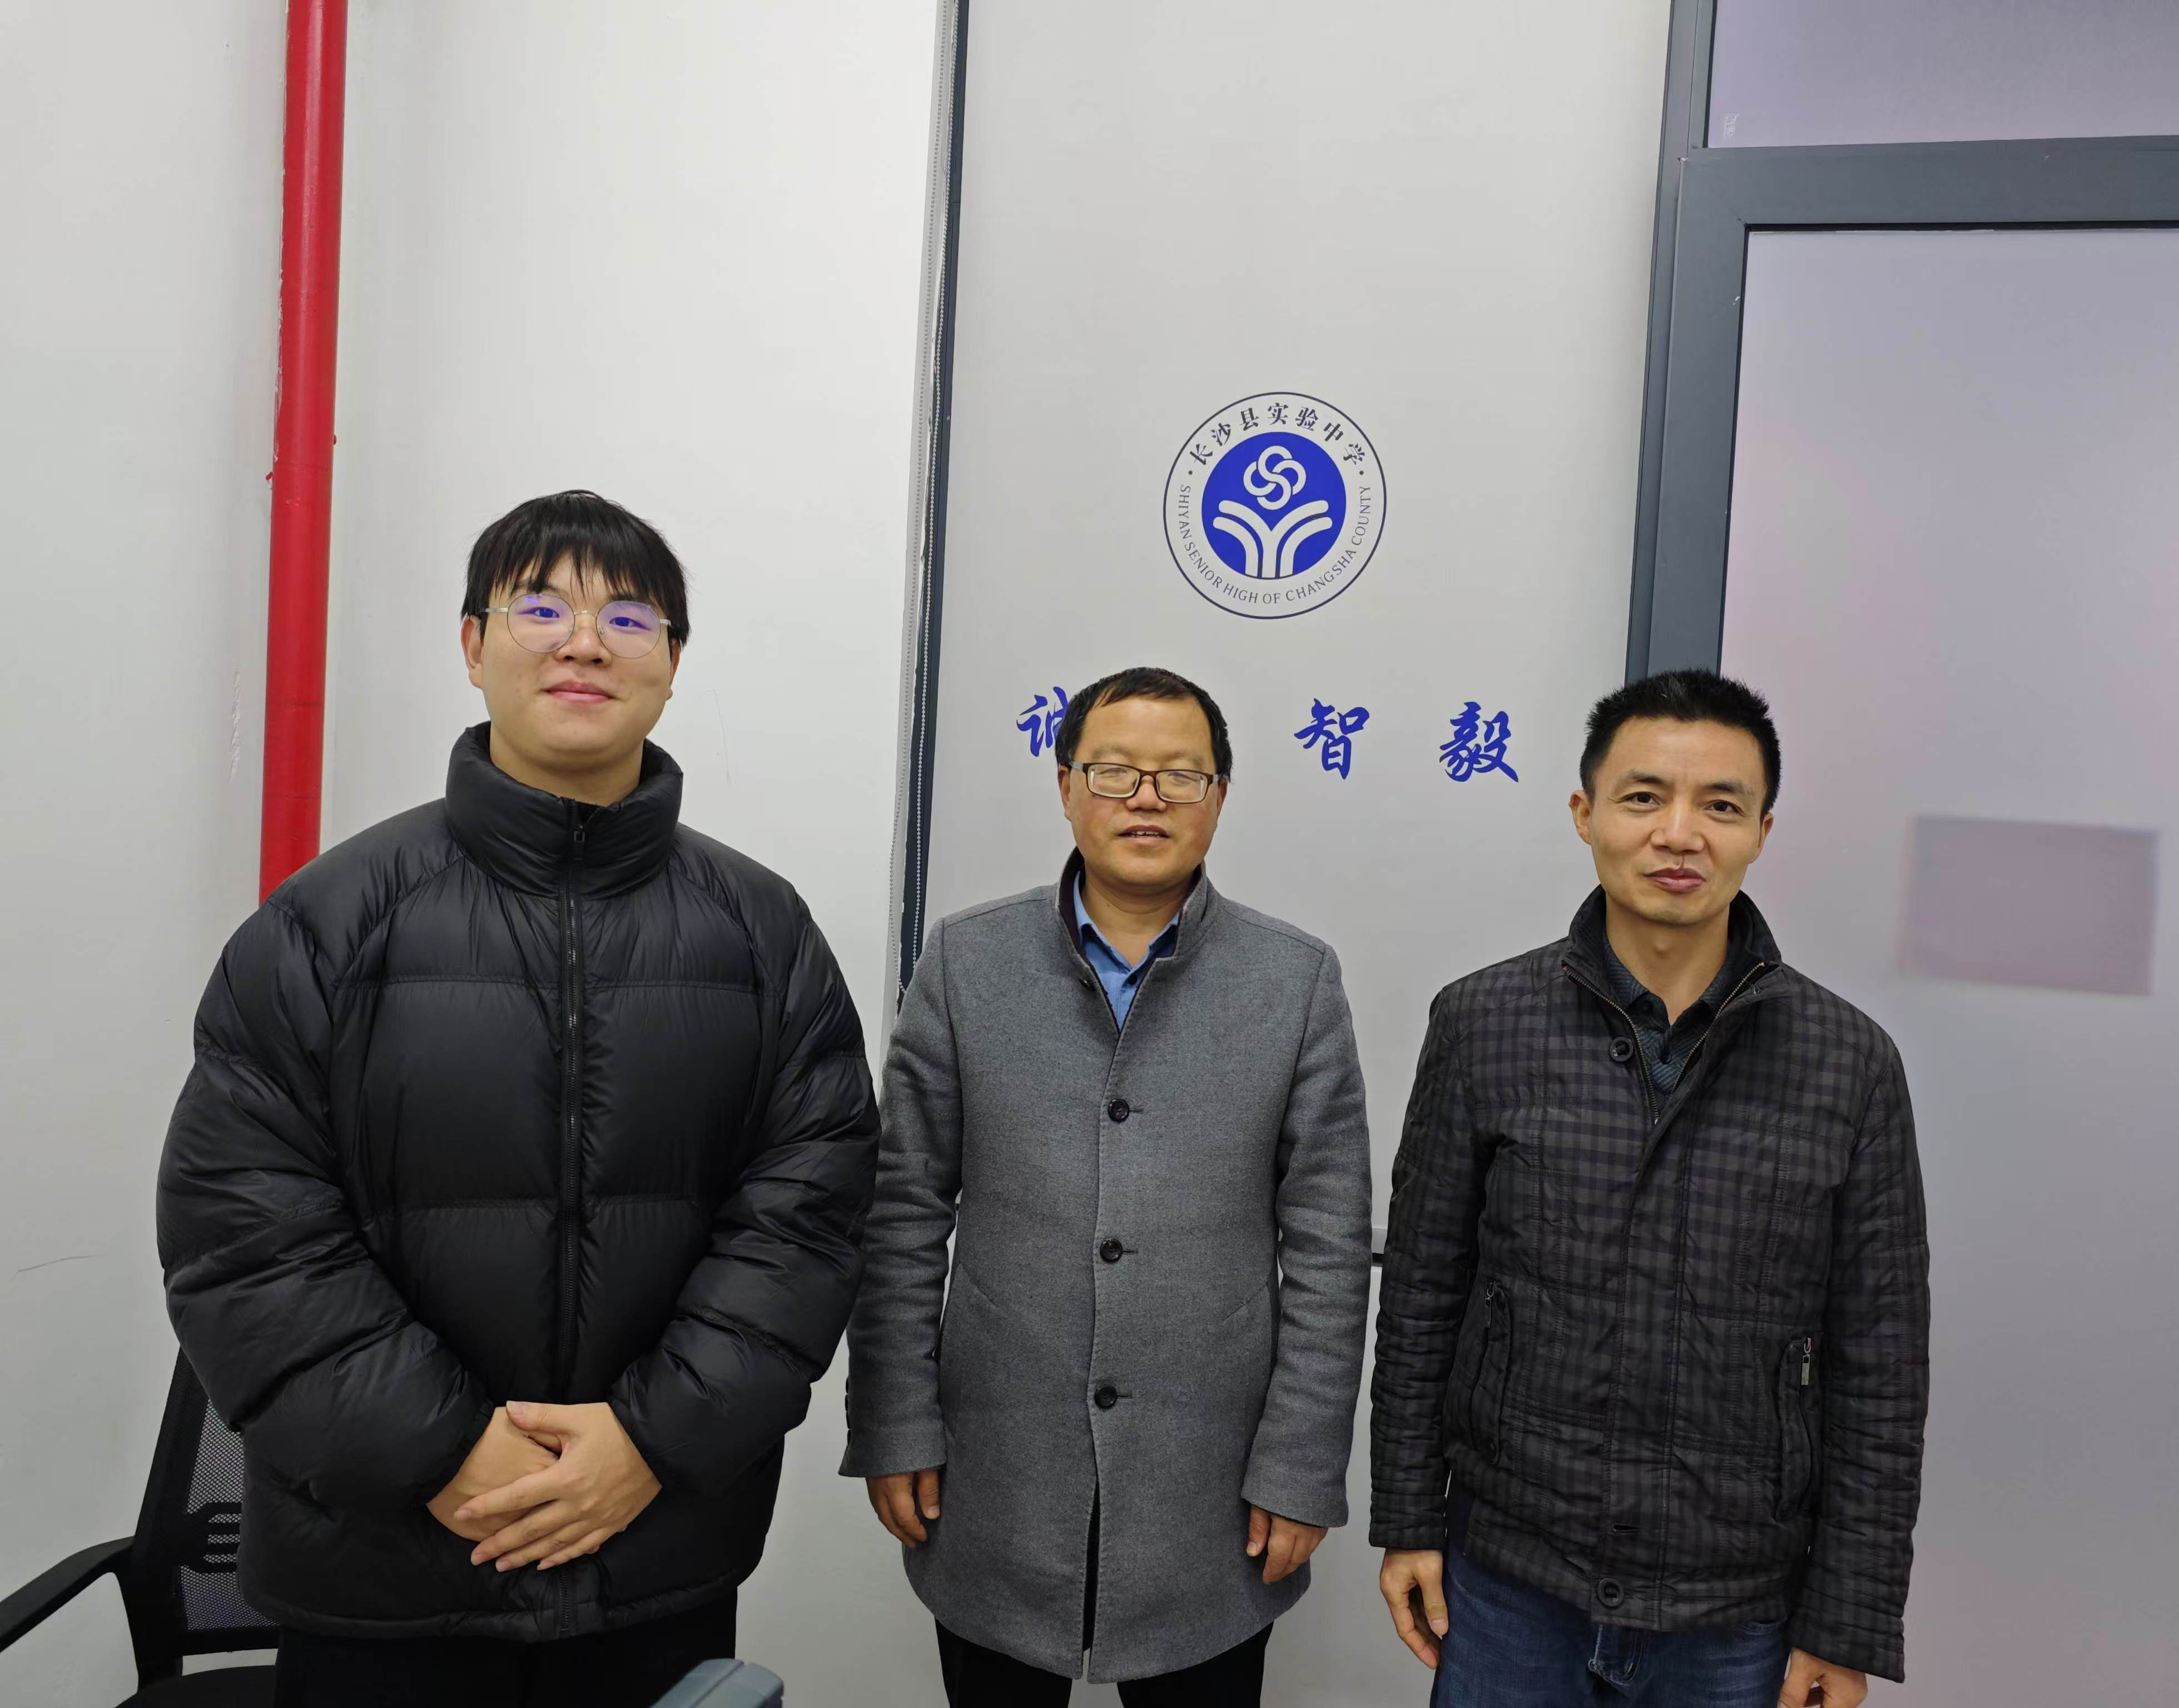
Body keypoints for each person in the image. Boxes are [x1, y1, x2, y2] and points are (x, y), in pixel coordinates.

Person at [156, 490, 879, 1708]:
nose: (584, 643)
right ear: (472, 644)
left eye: (628, 618)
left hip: (652, 1549)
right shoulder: (328, 920)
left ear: (673, 663)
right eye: (541, 608)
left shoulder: (763, 931)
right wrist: (445, 1451)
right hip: (380, 1571)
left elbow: (809, 1215)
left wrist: (647, 1440)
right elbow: (244, 1224)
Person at [1371, 670, 1929, 1708]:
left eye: (1720, 805)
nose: (1680, 833)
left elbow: (1881, 1366)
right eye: (1643, 797)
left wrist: (1846, 1619)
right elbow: (1421, 1294)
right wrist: (1408, 1516)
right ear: (1585, 813)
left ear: (1762, 831)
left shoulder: (1849, 1064)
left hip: (1737, 1606)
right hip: (1510, 1577)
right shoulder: (1483, 1023)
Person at [842, 666, 1373, 1706]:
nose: (1147, 799)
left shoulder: (1295, 980)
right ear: (1065, 785)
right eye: (1116, 771)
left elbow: (1328, 1244)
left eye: (1181, 776)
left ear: (1220, 796)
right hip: (997, 1471)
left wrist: (1302, 1463)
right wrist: (895, 1420)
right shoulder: (967, 962)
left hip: (1209, 1489)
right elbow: (902, 1213)